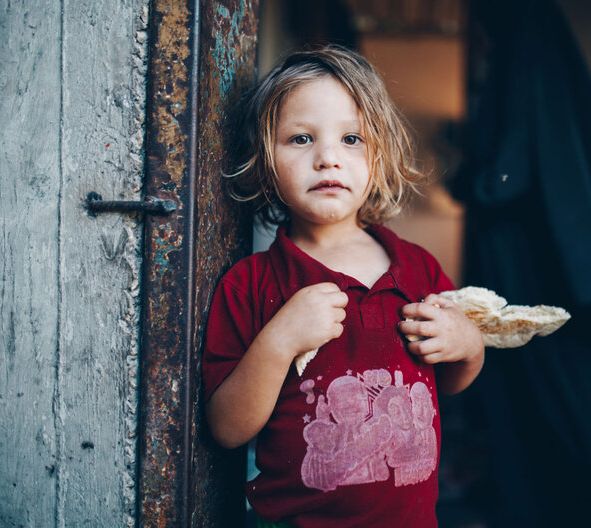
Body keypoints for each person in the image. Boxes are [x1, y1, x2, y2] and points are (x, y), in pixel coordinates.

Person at [202, 45, 484, 528]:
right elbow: (227, 429)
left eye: (352, 138)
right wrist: (280, 340)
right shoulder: (249, 284)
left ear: (382, 153)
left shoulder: (418, 270)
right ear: (266, 160)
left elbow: (452, 382)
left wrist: (470, 345)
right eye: (301, 139)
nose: (328, 157)